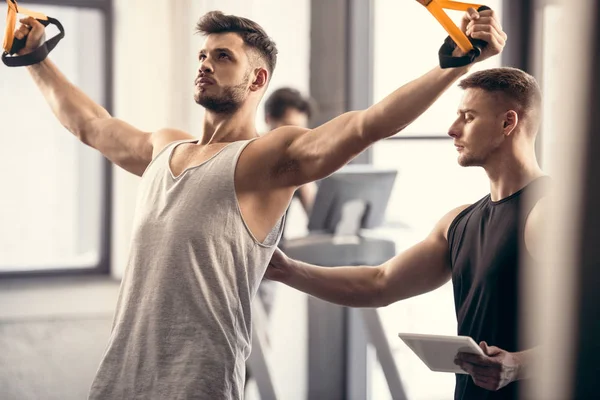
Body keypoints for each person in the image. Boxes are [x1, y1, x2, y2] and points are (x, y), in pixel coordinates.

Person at [12, 7, 505, 399]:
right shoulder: (165, 147)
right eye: (203, 56)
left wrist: (453, 64)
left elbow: (367, 125)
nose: (205, 64)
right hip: (119, 378)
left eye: (223, 56)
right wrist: (36, 59)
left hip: (196, 385)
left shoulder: (267, 158)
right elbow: (91, 125)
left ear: (256, 80)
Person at [266, 66, 548, 400]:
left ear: (507, 123)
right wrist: (286, 270)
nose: (452, 129)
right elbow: (379, 283)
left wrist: (519, 364)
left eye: (468, 117)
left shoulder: (549, 213)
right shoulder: (457, 223)